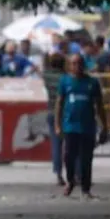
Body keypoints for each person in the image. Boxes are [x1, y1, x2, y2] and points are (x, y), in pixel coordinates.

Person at [55, 54, 109, 198]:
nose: (76, 67)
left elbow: (99, 106)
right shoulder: (65, 81)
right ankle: (70, 180)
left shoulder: (92, 82)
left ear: (83, 65)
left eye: (79, 64)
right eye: (73, 64)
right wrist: (57, 125)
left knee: (86, 158)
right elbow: (59, 104)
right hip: (70, 126)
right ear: (69, 66)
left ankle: (86, 188)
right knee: (68, 156)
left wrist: (104, 126)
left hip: (87, 126)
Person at [43, 53, 67, 185]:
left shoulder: (46, 76)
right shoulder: (66, 78)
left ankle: (58, 174)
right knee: (70, 144)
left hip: (51, 111)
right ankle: (75, 173)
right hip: (66, 112)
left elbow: (44, 69)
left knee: (56, 145)